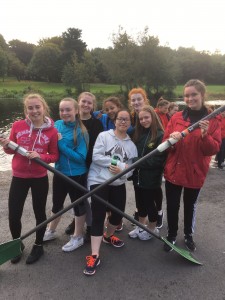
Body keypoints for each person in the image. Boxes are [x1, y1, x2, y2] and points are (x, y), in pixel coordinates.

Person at [163, 79, 221, 252]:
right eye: (186, 95)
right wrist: (171, 141)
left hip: (195, 172)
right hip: (174, 170)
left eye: (194, 94)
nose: (190, 98)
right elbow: (165, 143)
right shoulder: (176, 117)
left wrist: (205, 135)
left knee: (190, 206)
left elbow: (213, 149)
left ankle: (188, 235)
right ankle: (171, 235)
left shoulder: (213, 119)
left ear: (202, 95)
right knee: (172, 205)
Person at [0, 93, 59, 264]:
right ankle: (16, 245)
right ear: (26, 110)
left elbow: (54, 156)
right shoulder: (18, 126)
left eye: (37, 107)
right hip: (19, 176)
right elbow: (11, 150)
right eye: (30, 108)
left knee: (39, 212)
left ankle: (38, 245)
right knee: (13, 214)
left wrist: (40, 156)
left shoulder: (52, 131)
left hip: (39, 177)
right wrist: (6, 146)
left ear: (43, 107)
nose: (34, 111)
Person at [83, 109, 137, 276]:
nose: (123, 122)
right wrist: (117, 164)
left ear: (129, 123)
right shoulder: (104, 136)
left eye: (126, 120)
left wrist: (123, 170)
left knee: (117, 214)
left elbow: (131, 170)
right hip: (98, 179)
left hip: (117, 182)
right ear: (115, 121)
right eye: (120, 119)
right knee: (98, 214)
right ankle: (94, 255)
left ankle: (108, 235)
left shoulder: (131, 146)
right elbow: (96, 157)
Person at [43, 98, 89, 253]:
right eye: (62, 110)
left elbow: (81, 158)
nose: (64, 113)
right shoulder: (56, 125)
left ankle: (78, 237)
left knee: (78, 205)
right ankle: (51, 231)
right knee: (57, 203)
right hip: (59, 172)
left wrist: (61, 145)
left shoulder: (81, 131)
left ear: (76, 111)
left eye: (68, 110)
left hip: (77, 174)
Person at [64, 92, 103, 238]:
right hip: (73, 166)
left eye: (89, 103)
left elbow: (98, 146)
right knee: (76, 197)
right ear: (78, 103)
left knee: (88, 197)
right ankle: (76, 222)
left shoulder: (97, 124)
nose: (86, 105)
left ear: (93, 106)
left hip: (90, 165)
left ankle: (91, 226)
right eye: (83, 101)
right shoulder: (70, 121)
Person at [128, 105, 166, 240]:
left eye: (146, 117)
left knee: (150, 205)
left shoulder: (160, 135)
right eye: (141, 118)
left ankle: (152, 229)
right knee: (140, 204)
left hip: (151, 178)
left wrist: (135, 161)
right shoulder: (138, 134)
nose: (144, 121)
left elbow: (157, 160)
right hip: (137, 177)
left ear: (153, 117)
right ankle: (141, 226)